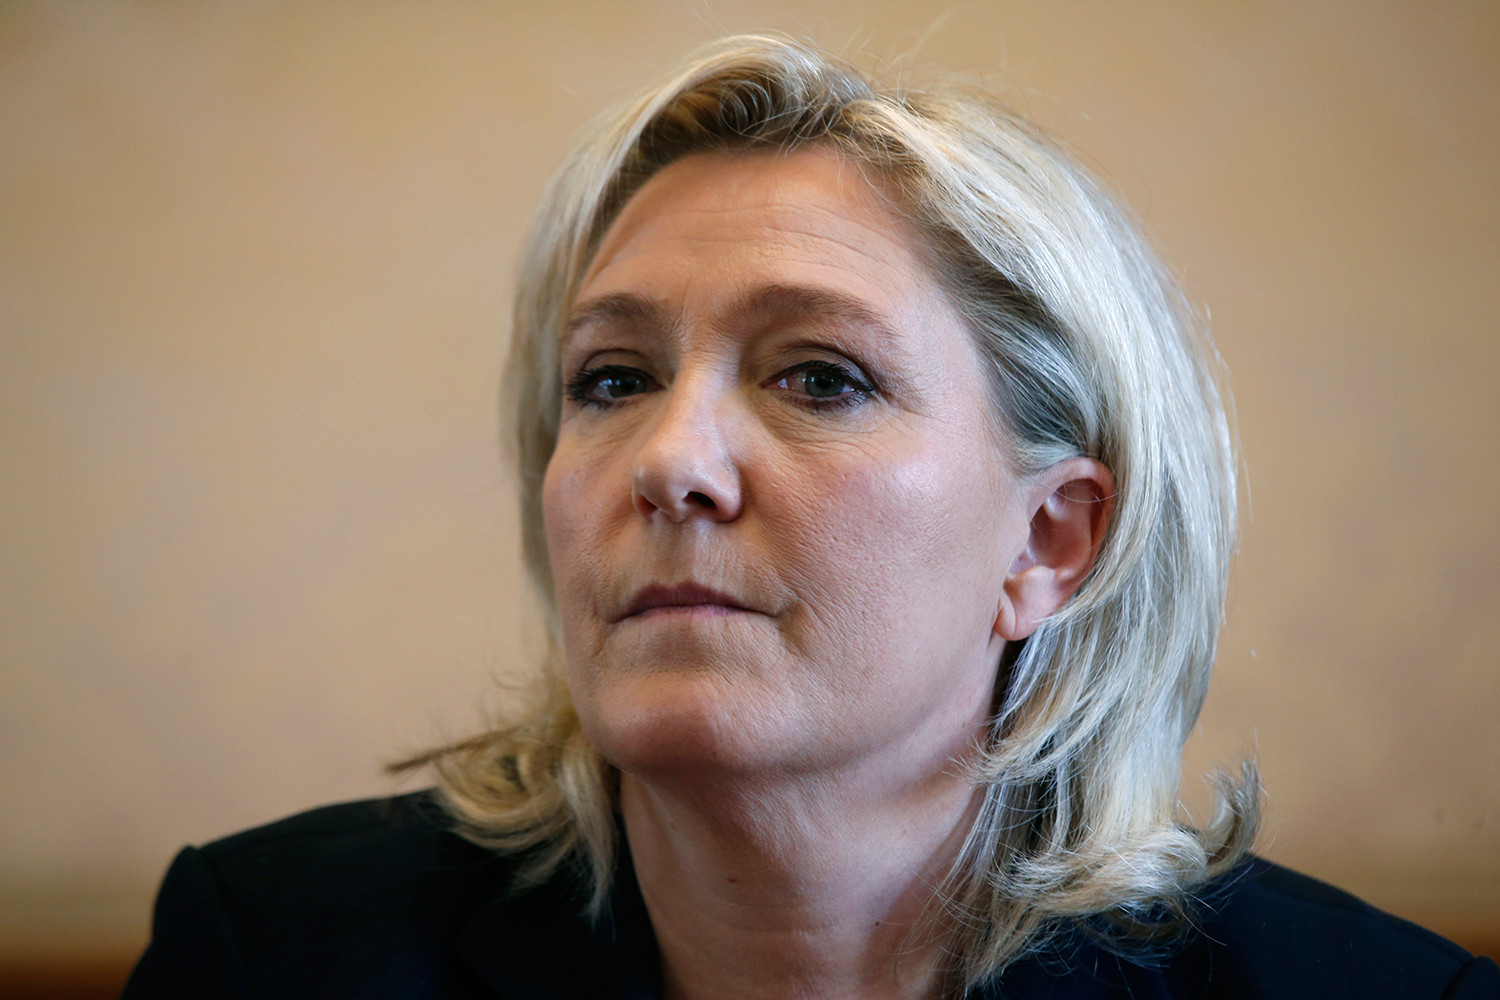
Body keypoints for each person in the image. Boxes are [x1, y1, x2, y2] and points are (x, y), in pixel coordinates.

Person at [122, 34, 1499, 1000]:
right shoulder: (271, 954)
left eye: (820, 376)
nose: (671, 461)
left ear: (1049, 543)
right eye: (612, 379)